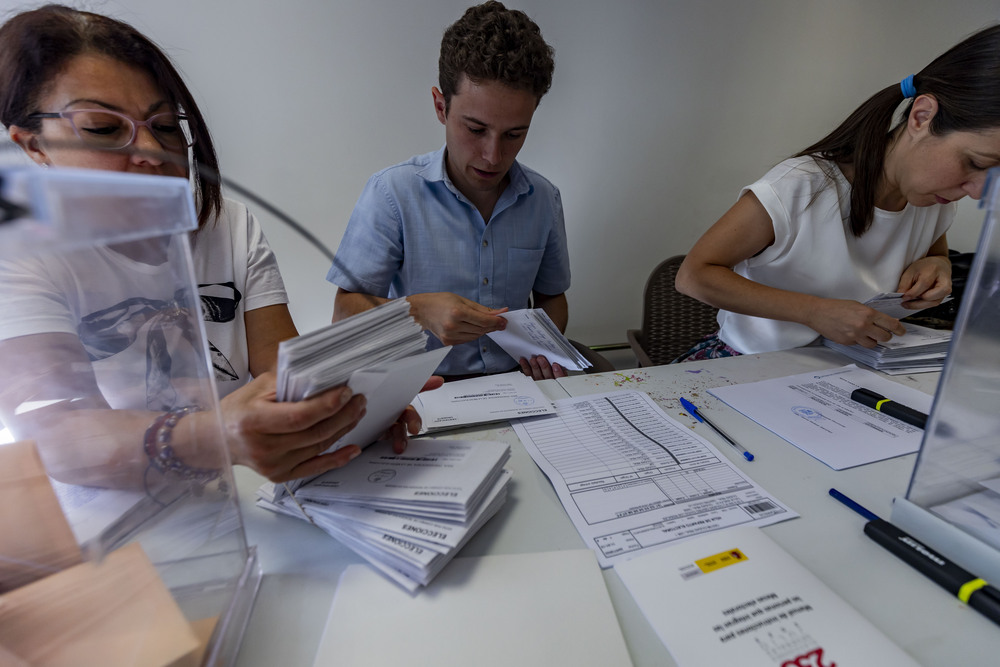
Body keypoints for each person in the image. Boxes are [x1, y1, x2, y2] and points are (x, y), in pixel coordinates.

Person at [0, 5, 433, 489]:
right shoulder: (17, 251)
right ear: (33, 145)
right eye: (103, 128)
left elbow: (281, 368)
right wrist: (212, 435)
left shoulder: (227, 224)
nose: (151, 151)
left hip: (237, 501)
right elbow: (55, 434)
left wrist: (351, 408)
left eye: (165, 126)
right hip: (107, 525)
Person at [675, 25, 1000, 360]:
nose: (977, 192)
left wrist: (939, 265)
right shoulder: (804, 185)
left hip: (844, 370)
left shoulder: (934, 199)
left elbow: (934, 253)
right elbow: (694, 276)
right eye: (974, 162)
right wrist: (813, 311)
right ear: (921, 117)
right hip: (747, 365)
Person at [327, 1, 571, 381]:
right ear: (441, 107)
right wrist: (418, 310)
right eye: (475, 129)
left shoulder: (544, 198)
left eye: (514, 134)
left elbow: (552, 298)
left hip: (518, 387)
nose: (493, 156)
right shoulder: (392, 193)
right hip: (421, 394)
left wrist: (545, 346)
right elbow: (344, 312)